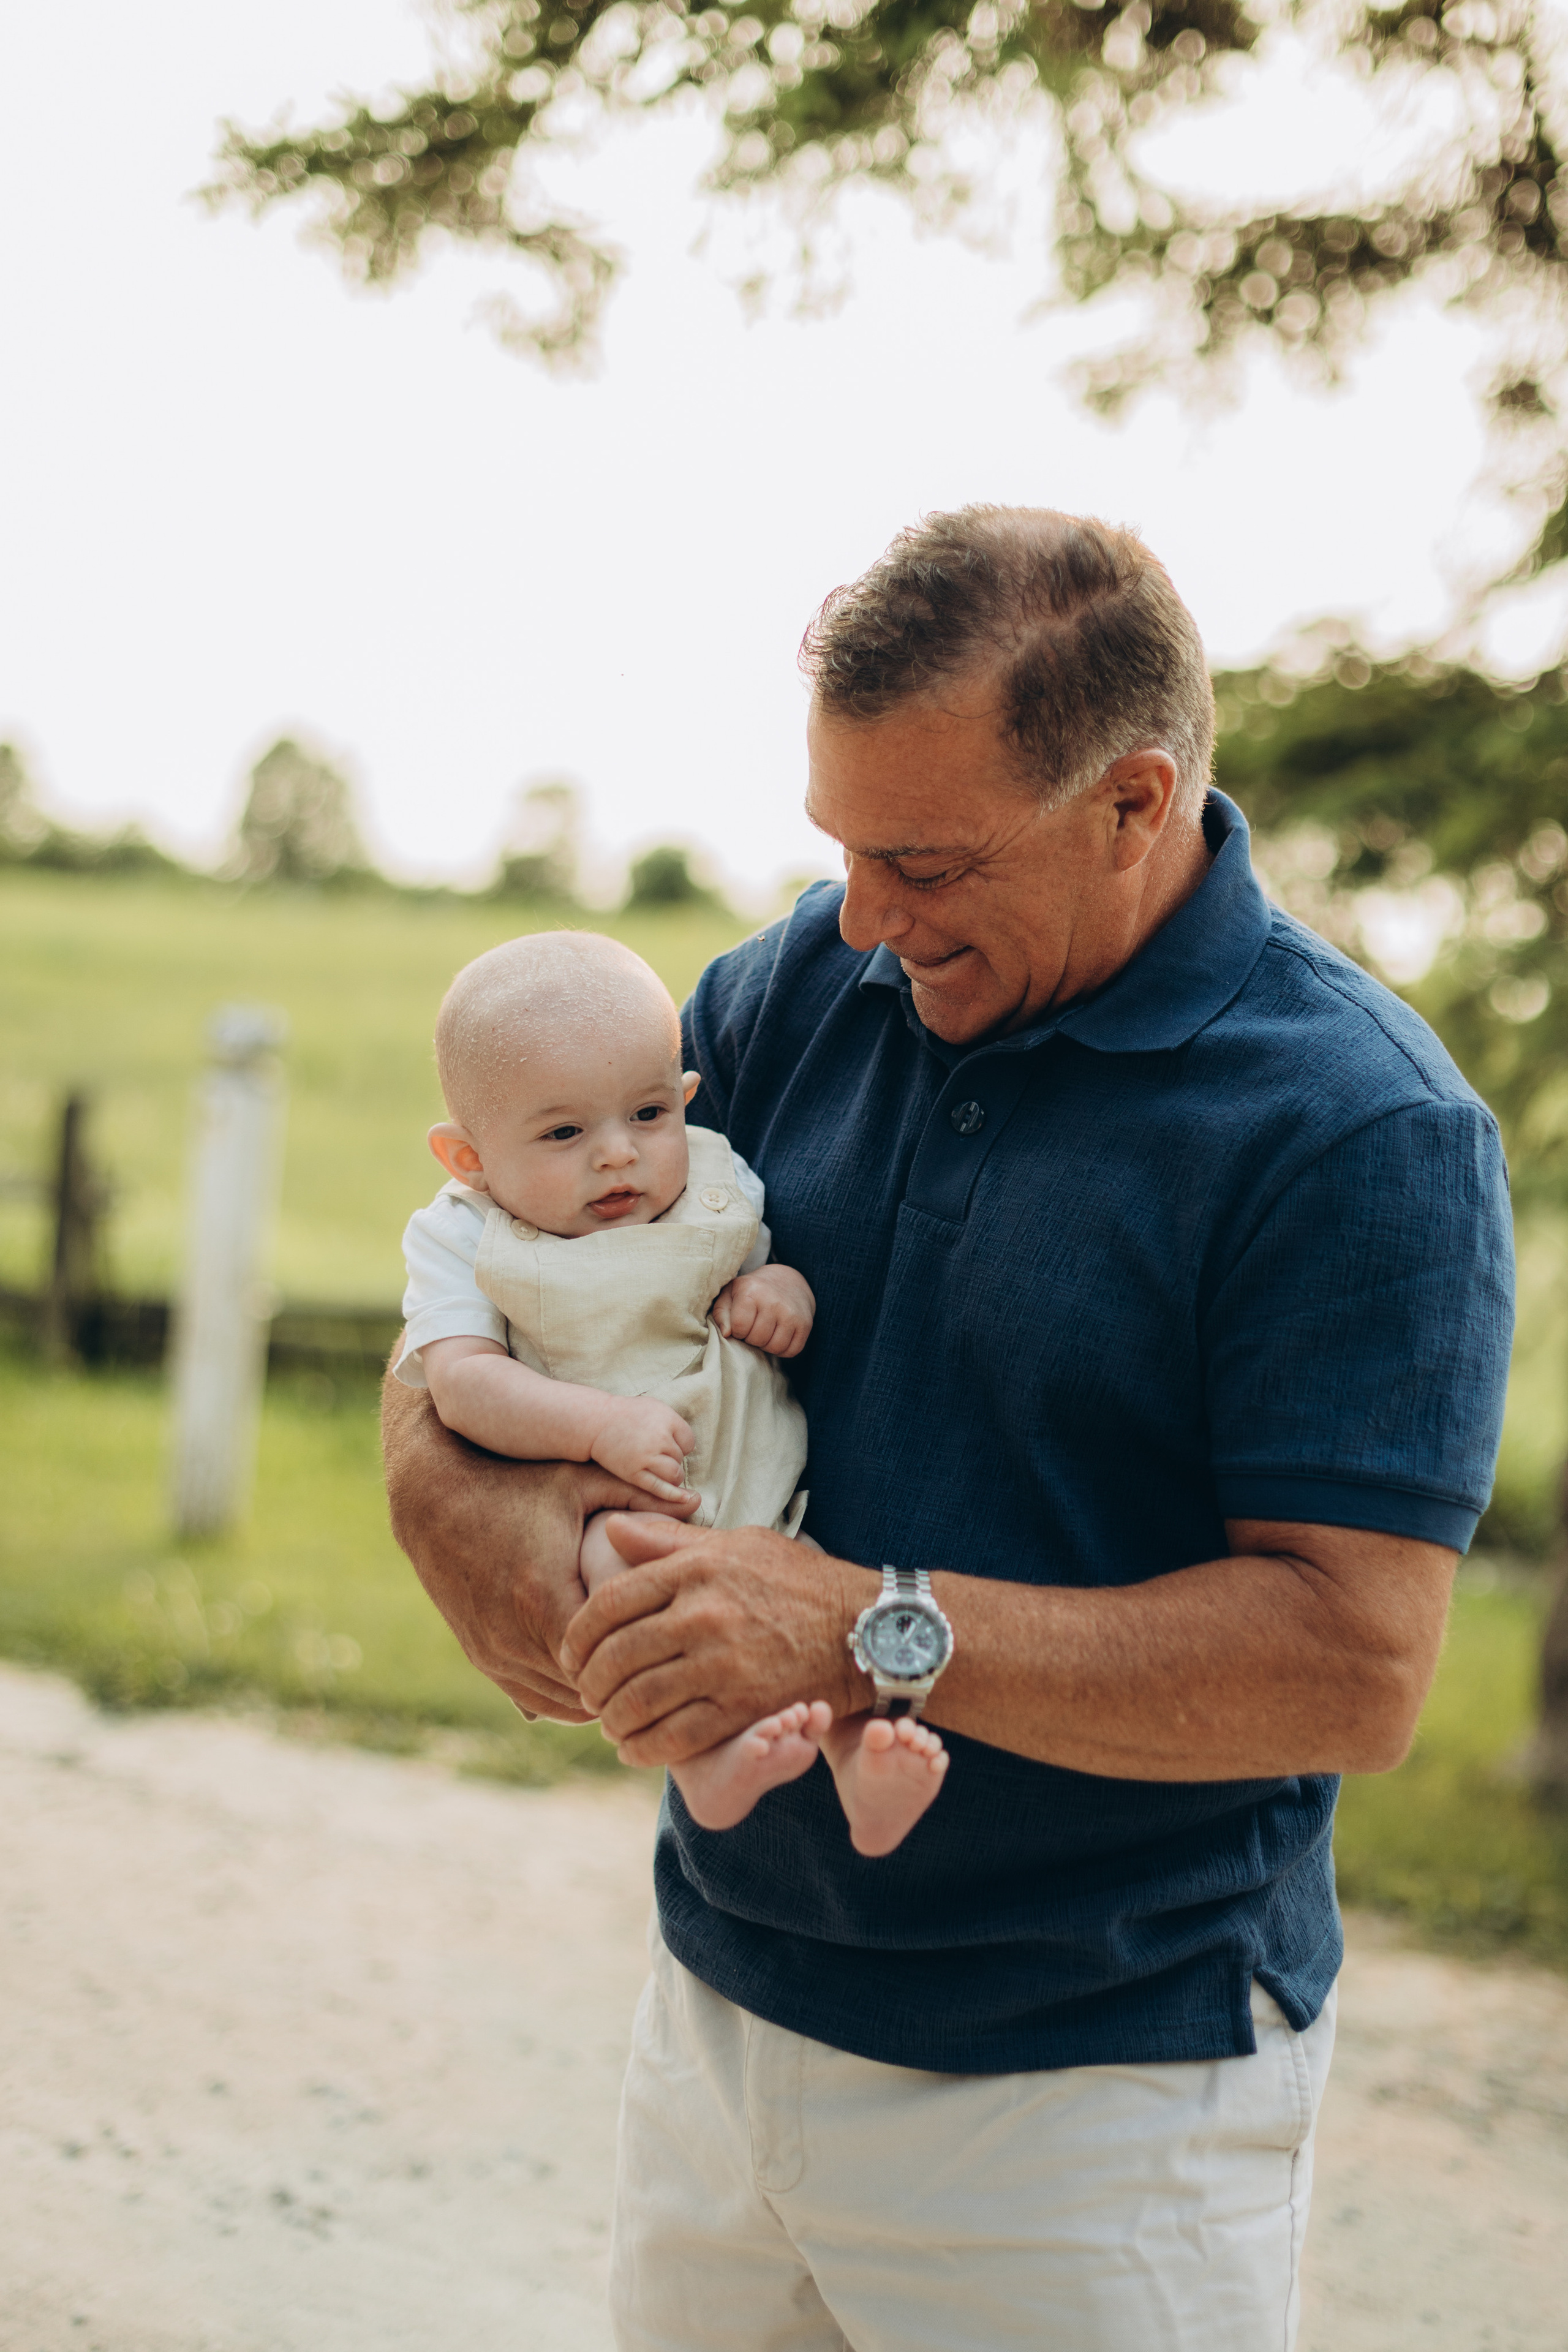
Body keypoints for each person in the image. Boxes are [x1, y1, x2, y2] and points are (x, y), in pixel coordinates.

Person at [382, 507, 1515, 2350]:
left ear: (1132, 803)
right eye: (839, 845)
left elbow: (1351, 1667)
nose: (858, 916)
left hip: (1092, 2108)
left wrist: (855, 1627)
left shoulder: (1358, 1130)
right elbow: (485, 1286)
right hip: (717, 2012)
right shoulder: (795, 990)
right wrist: (512, 1542)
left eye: (918, 859)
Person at [393, 927, 950, 1852]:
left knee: (826, 1605)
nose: (619, 1155)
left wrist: (782, 1294)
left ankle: (864, 1759)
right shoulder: (463, 1238)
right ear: (468, 1160)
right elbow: (462, 1383)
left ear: (685, 1098)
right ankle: (703, 1758)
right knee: (628, 1585)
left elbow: (763, 1268)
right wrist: (599, 1428)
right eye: (565, 1133)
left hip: (763, 1489)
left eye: (648, 1114)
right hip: (624, 1504)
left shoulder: (713, 1179)